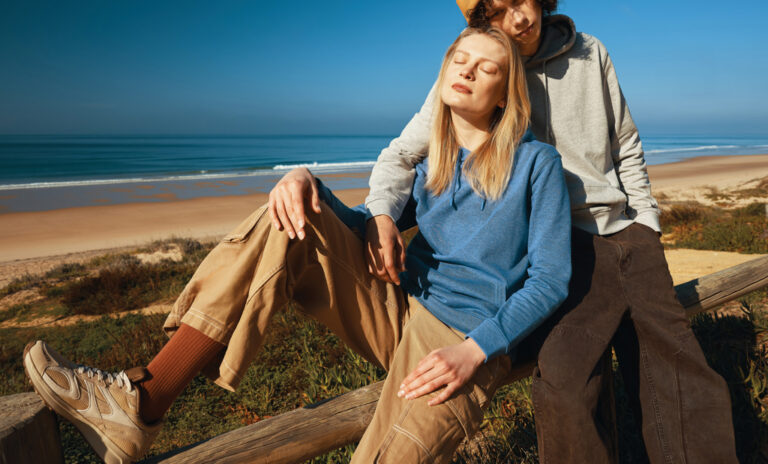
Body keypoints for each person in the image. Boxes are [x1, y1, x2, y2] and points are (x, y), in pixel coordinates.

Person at [24, 26, 572, 464]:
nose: (468, 72)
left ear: (506, 92)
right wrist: (305, 180)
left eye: (488, 68)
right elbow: (360, 226)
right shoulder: (430, 164)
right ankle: (141, 400)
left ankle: (139, 406)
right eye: (460, 60)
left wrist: (476, 351)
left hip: (461, 342)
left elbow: (551, 279)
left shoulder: (535, 164)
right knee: (285, 216)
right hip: (395, 307)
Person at [360, 0, 739, 463]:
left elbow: (625, 143)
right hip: (565, 243)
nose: (517, 19)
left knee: (675, 361)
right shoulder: (486, 74)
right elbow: (405, 154)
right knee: (563, 384)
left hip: (627, 229)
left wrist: (647, 221)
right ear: (481, 27)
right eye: (497, 14)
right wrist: (380, 213)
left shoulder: (592, 52)